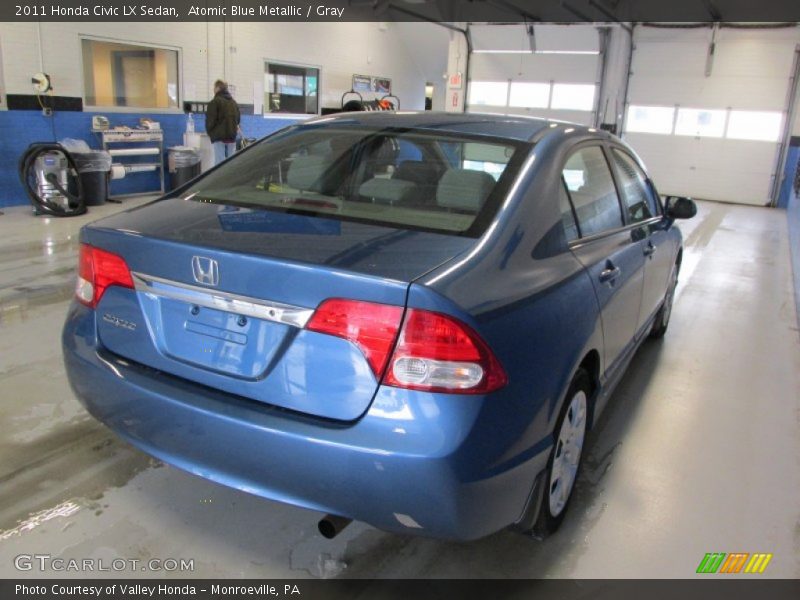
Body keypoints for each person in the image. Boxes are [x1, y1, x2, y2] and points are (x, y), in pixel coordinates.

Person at [206, 80, 240, 165]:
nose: (213, 89)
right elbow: (238, 120)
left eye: (214, 87)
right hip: (232, 136)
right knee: (231, 163)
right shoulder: (234, 103)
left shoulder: (215, 102)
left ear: (218, 88)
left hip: (219, 137)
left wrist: (211, 133)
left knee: (219, 163)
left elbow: (210, 120)